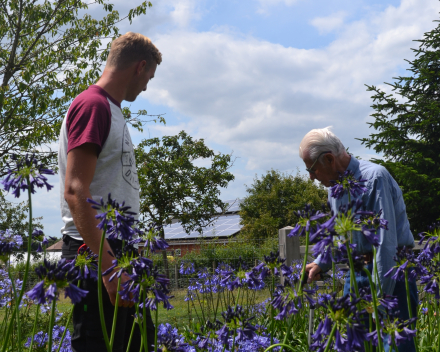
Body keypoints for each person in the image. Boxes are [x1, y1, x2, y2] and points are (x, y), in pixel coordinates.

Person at [58, 32, 161, 352]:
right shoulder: (93, 106)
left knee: (135, 344)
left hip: (115, 251)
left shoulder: (112, 110)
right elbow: (75, 190)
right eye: (149, 78)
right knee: (100, 343)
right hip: (96, 252)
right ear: (139, 67)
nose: (146, 86)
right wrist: (110, 267)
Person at [299, 127, 417, 352]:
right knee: (357, 346)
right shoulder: (334, 188)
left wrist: (381, 297)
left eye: (312, 170)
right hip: (356, 274)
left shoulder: (375, 178)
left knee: (396, 347)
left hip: (392, 275)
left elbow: (385, 242)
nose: (311, 177)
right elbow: (339, 235)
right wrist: (321, 262)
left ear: (329, 159)